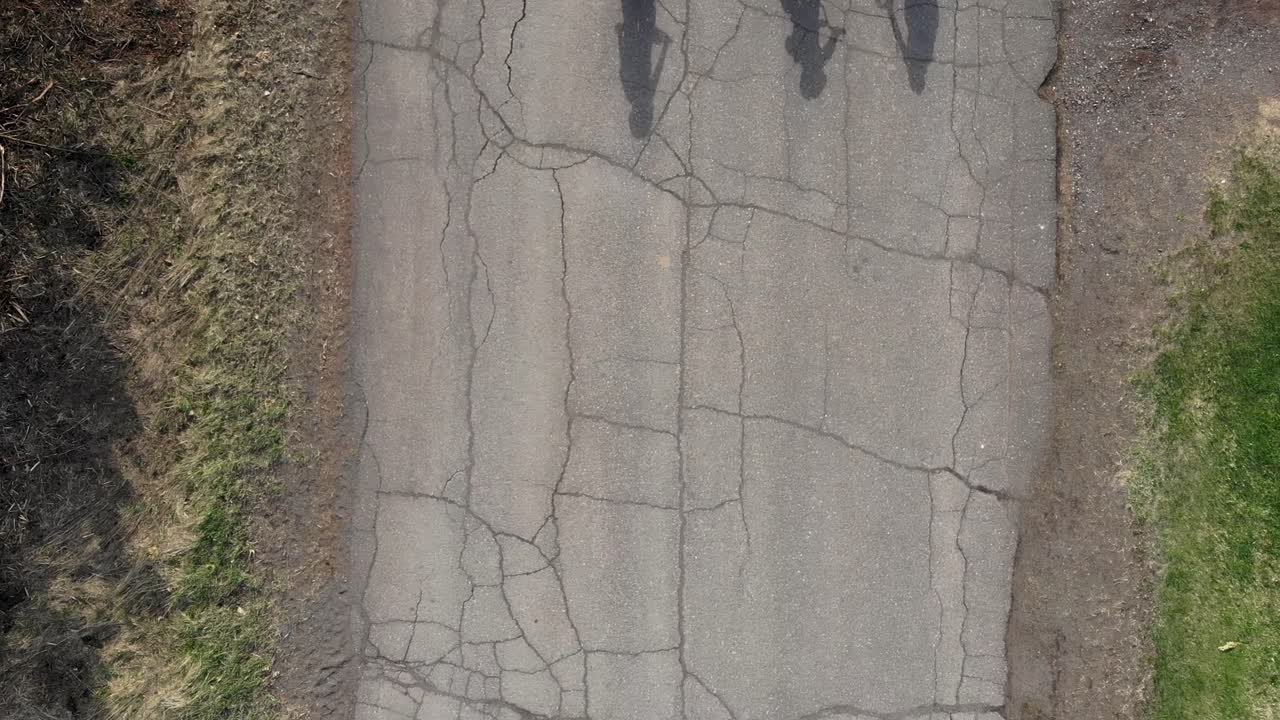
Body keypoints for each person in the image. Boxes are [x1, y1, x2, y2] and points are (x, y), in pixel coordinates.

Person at [781, 0, 845, 99]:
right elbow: (788, 42)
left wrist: (835, 33)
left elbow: (830, 47)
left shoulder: (818, 62)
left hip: (808, 19)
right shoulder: (799, 58)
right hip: (801, 19)